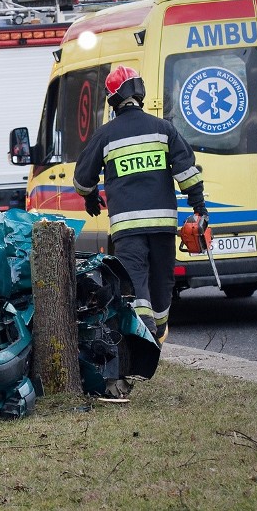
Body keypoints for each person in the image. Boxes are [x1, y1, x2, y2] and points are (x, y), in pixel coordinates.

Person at [73, 66, 206, 343]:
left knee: (134, 280)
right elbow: (187, 173)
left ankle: (145, 334)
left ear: (112, 100)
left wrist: (90, 197)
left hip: (127, 228)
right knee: (162, 281)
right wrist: (199, 207)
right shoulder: (163, 129)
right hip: (162, 226)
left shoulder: (105, 135)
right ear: (140, 92)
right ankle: (156, 332)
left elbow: (82, 179)